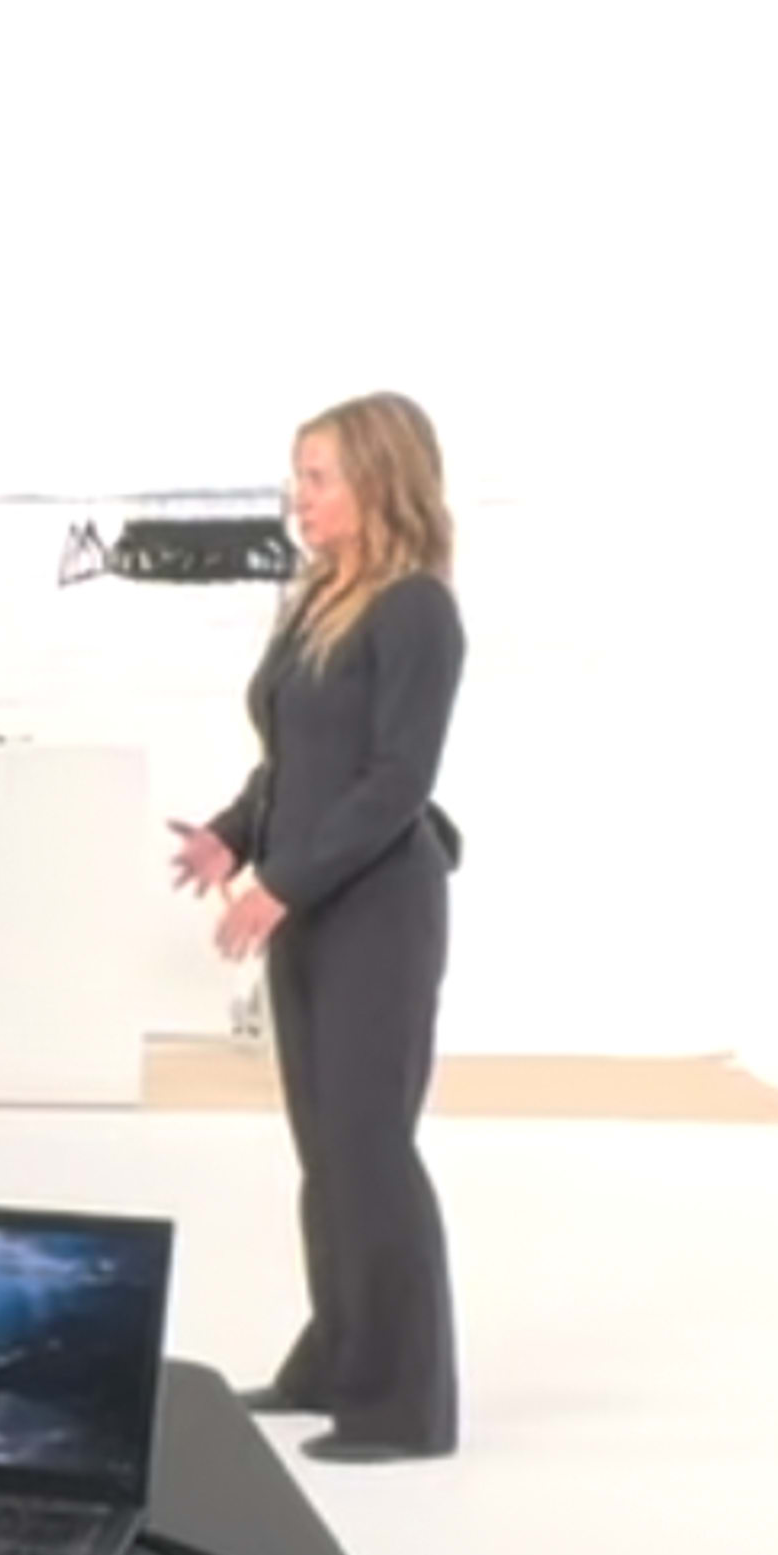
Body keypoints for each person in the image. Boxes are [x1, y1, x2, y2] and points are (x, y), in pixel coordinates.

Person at [169, 392, 467, 1464]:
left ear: (379, 480)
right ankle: (340, 1358)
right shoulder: (316, 601)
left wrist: (278, 882)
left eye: (319, 477)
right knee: (325, 1151)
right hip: (308, 899)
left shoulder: (416, 611)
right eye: (298, 474)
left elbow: (394, 782)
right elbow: (295, 761)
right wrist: (229, 836)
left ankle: (405, 1407)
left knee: (370, 1150)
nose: (299, 496)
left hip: (377, 909)